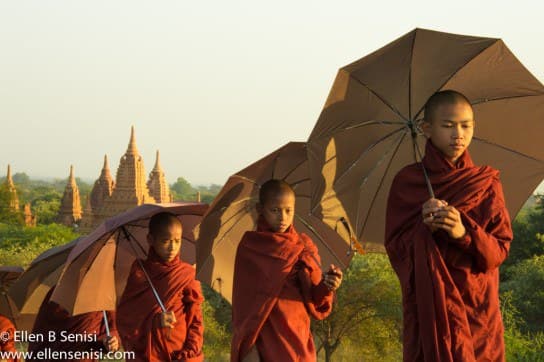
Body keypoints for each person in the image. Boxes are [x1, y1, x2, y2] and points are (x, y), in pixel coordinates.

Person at [385, 90, 513, 361]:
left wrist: (463, 232)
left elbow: (498, 253)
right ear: (426, 129)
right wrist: (425, 231)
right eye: (448, 125)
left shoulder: (485, 183)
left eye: (466, 126)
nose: (458, 134)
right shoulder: (407, 183)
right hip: (429, 313)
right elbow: (396, 251)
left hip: (477, 310)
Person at [231, 179, 343, 362]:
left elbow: (315, 298)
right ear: (260, 209)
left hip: (297, 339)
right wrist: (248, 348)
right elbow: (243, 306)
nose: (282, 217)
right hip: (263, 342)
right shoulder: (251, 246)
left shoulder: (304, 246)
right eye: (275, 210)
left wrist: (328, 285)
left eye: (288, 210)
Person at [117, 212, 204, 362]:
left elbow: (196, 318)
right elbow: (126, 315)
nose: (172, 248)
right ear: (151, 239)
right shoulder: (139, 271)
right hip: (146, 353)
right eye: (166, 241)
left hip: (178, 352)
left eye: (177, 241)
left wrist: (189, 351)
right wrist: (155, 321)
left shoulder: (186, 273)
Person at [27, 286, 118, 362]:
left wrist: (112, 342)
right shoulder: (56, 293)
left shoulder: (103, 295)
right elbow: (40, 331)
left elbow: (112, 329)